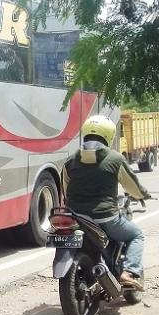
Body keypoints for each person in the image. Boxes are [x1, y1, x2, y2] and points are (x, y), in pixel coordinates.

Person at [62, 115, 151, 291]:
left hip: (76, 216)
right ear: (109, 135)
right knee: (136, 235)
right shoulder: (114, 159)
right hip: (105, 217)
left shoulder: (70, 161)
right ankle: (129, 272)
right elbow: (131, 186)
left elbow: (66, 190)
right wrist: (143, 195)